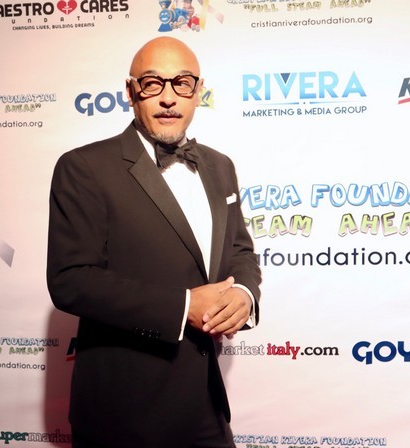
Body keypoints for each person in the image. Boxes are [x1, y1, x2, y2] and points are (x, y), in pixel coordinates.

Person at [46, 37, 262, 448]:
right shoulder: (84, 167)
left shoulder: (220, 166)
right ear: (131, 92)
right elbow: (70, 280)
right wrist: (183, 307)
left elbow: (239, 250)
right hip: (124, 412)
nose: (168, 97)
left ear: (198, 91)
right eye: (152, 83)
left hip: (207, 404)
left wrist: (244, 295)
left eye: (182, 83)